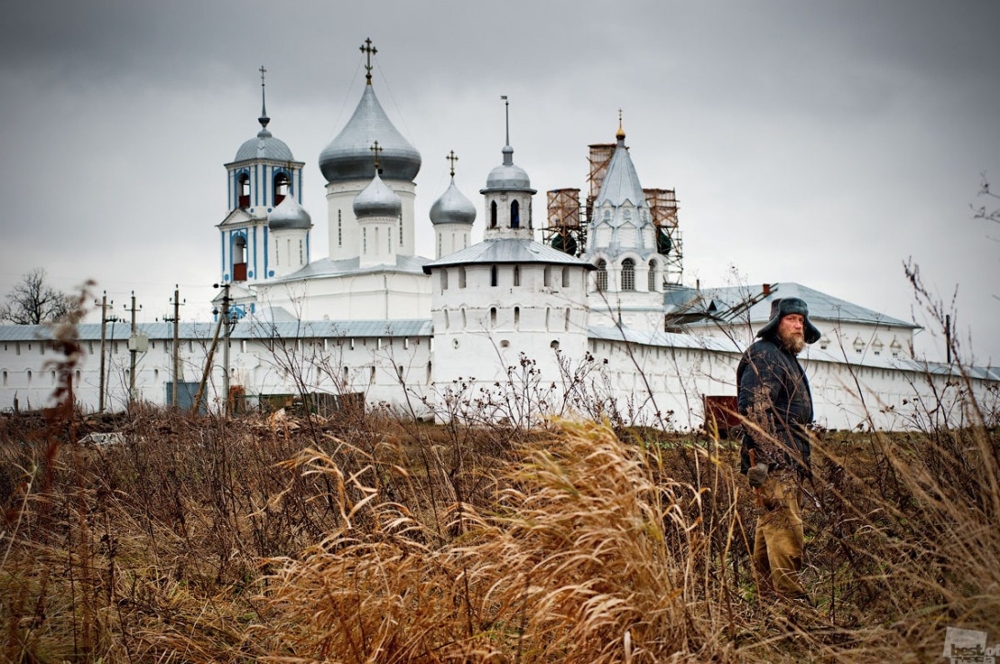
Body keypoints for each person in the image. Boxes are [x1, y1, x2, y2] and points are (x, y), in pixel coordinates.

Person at [737, 297, 820, 602]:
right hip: (776, 463)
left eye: (801, 320)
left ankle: (767, 598)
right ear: (776, 324)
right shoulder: (766, 355)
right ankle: (792, 602)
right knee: (786, 531)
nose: (798, 325)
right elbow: (755, 408)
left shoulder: (783, 356)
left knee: (770, 530)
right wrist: (766, 459)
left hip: (787, 458)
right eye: (791, 320)